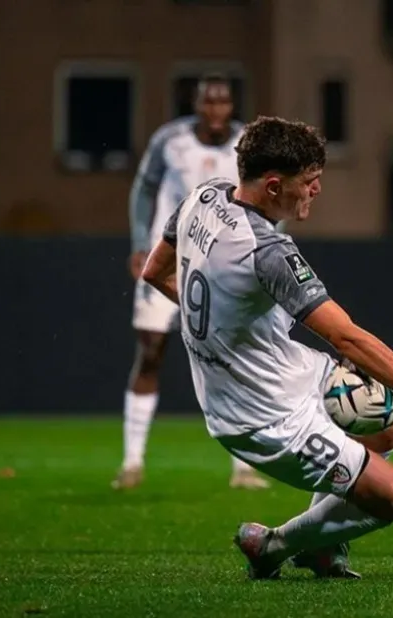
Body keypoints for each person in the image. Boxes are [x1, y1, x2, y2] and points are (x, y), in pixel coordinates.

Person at [140, 116, 393, 579]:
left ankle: (325, 550)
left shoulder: (202, 196)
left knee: (386, 425)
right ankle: (274, 545)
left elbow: (155, 273)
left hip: (289, 369)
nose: (316, 191)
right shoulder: (268, 251)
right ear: (272, 186)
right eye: (309, 182)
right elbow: (346, 337)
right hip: (260, 415)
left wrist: (222, 329)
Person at [116, 74, 270, 490]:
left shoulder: (248, 143)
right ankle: (132, 461)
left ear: (231, 106)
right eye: (208, 102)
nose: (215, 110)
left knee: (237, 360)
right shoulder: (170, 139)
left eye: (222, 102)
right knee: (150, 352)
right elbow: (144, 189)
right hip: (167, 259)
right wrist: (137, 242)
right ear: (196, 104)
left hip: (223, 267)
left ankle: (245, 466)